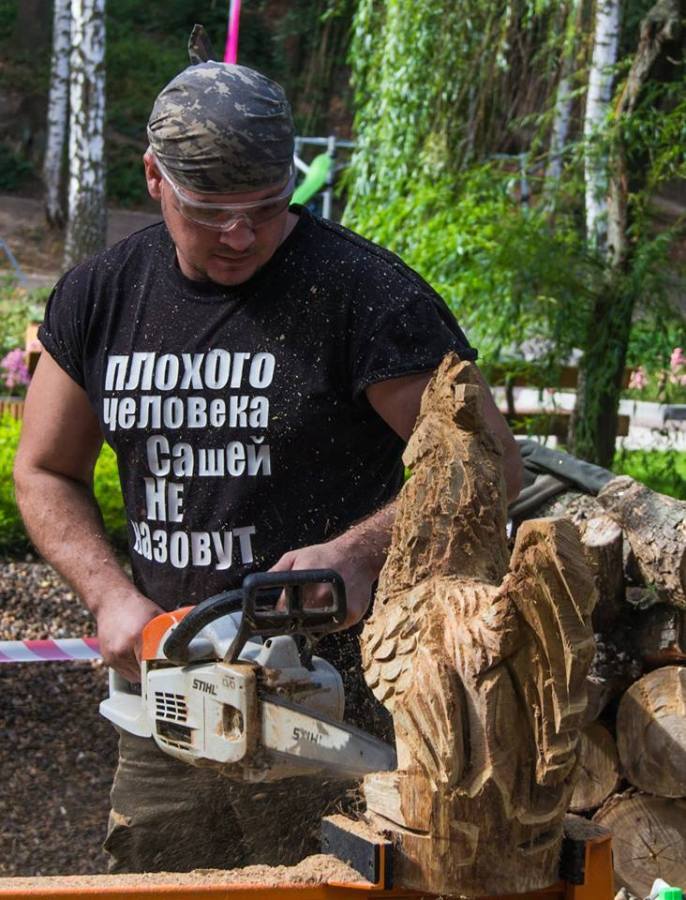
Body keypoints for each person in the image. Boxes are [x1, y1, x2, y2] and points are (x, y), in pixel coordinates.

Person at [14, 60, 522, 873]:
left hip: (345, 696)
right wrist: (110, 597)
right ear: (154, 177)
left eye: (266, 207)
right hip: (172, 684)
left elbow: (490, 466)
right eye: (211, 212)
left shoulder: (364, 294)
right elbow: (43, 469)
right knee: (156, 882)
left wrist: (357, 555)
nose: (241, 235)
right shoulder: (102, 294)